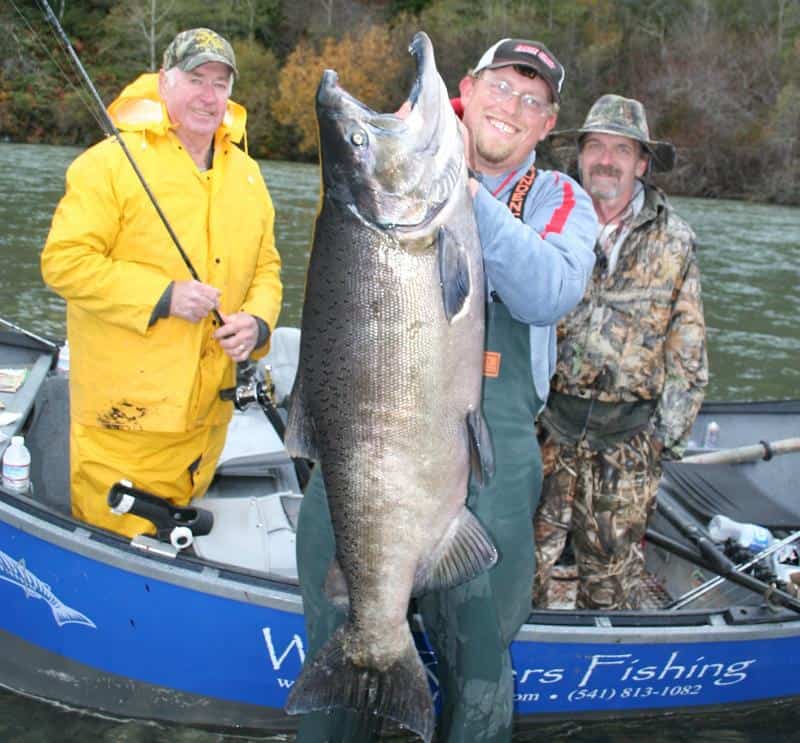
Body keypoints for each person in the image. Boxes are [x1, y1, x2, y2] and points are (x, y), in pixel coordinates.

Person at [294, 39, 597, 741]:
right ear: (467, 88)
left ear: (548, 124)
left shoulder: (557, 198)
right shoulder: (392, 183)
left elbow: (550, 289)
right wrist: (431, 173)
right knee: (343, 625)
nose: (513, 107)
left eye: (533, 100)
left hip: (492, 459)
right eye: (500, 87)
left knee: (482, 666)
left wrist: (464, 198)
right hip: (361, 455)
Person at [41, 28, 283, 538]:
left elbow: (267, 268)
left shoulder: (248, 174)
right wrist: (162, 295)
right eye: (196, 79)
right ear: (163, 84)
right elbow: (63, 261)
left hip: (207, 425)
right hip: (125, 426)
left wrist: (258, 324)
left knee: (174, 549)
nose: (209, 95)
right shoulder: (108, 163)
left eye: (220, 83)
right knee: (116, 561)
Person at [533, 94, 708, 610]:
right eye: (596, 147)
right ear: (579, 155)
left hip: (628, 439)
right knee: (518, 569)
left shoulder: (675, 240)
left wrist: (662, 440)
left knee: (608, 584)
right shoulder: (549, 218)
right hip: (545, 426)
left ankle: (598, 671)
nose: (606, 159)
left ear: (642, 163)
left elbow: (689, 346)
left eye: (622, 149)